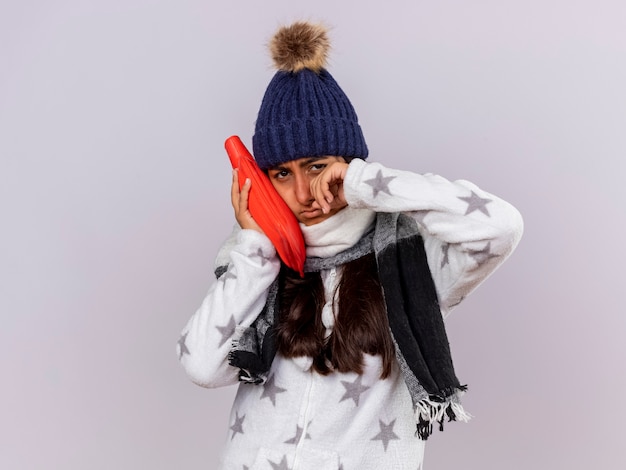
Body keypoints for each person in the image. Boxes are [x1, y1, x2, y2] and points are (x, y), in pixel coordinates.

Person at [177, 21, 523, 470]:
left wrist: (367, 185)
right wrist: (257, 248)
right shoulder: (253, 259)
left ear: (348, 163)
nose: (303, 192)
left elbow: (502, 225)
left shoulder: (412, 257)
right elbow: (202, 366)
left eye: (317, 165)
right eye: (282, 174)